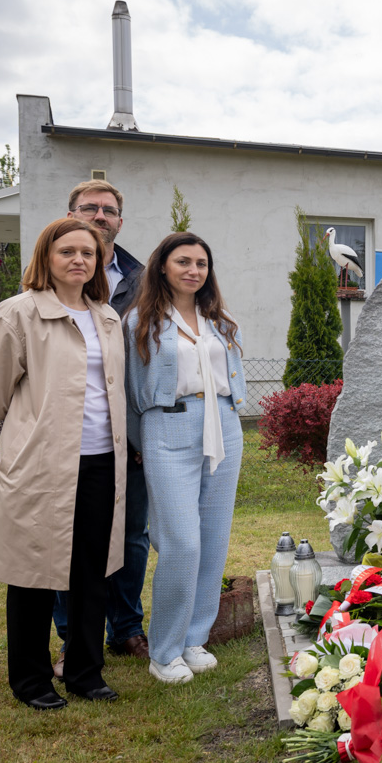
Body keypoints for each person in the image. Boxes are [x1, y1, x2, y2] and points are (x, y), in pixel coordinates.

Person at [0, 218, 127, 709]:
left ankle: (85, 673)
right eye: (67, 251)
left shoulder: (106, 316)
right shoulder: (18, 313)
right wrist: (0, 448)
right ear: (46, 257)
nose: (79, 259)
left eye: (88, 252)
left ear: (99, 261)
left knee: (91, 572)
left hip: (101, 461)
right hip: (40, 463)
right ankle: (31, 680)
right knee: (33, 571)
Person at [125, 233, 248, 683]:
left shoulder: (221, 319)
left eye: (201, 263)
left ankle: (195, 638)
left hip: (223, 425)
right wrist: (140, 444)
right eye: (183, 261)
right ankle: (164, 651)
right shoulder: (140, 321)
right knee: (181, 543)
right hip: (167, 426)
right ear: (162, 266)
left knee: (213, 539)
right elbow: (130, 390)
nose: (193, 270)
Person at [53, 180, 149, 681]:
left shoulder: (143, 279)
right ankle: (72, 637)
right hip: (70, 434)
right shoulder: (48, 277)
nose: (99, 215)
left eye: (108, 210)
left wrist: (143, 432)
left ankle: (126, 628)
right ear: (70, 214)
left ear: (119, 221)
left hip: (129, 431)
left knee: (131, 534)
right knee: (69, 538)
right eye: (88, 208)